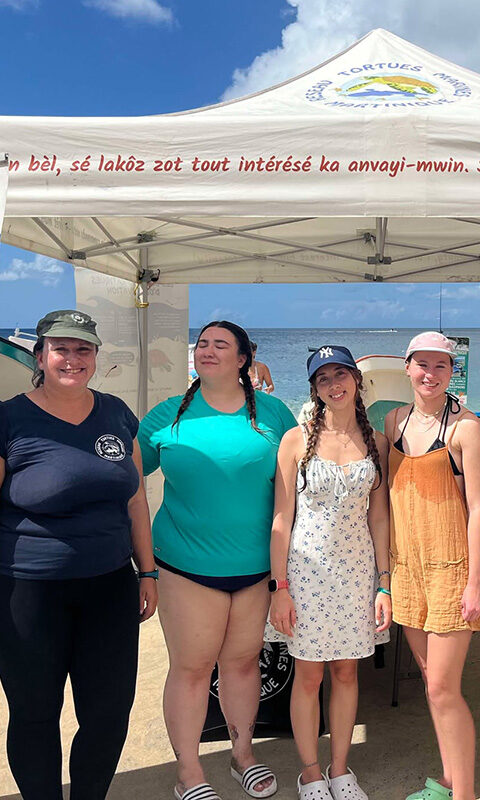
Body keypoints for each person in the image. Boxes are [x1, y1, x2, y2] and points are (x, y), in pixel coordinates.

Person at [0, 309, 157, 800]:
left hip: (110, 585)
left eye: (83, 349)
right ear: (40, 355)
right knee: (35, 712)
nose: (72, 358)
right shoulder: (9, 418)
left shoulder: (115, 413)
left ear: (95, 357)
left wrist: (147, 572)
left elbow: (134, 498)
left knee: (109, 712)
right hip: (27, 590)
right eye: (61, 348)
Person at [138, 321, 297, 800]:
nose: (206, 350)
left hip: (254, 569)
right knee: (191, 668)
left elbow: (306, 473)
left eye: (220, 344)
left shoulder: (272, 412)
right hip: (185, 566)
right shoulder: (166, 416)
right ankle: (189, 772)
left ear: (244, 358)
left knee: (244, 665)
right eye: (202, 343)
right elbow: (119, 478)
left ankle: (242, 754)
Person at [268, 345, 392, 800]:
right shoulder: (296, 440)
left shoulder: (375, 441)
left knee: (345, 673)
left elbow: (379, 517)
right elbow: (282, 518)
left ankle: (341, 769)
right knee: (309, 676)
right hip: (305, 573)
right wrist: (278, 587)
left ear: (357, 381)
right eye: (323, 379)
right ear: (315, 389)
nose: (334, 384)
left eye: (341, 374)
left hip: (358, 572)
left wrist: (384, 583)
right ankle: (311, 772)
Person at [385, 331, 480, 800]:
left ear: (453, 372)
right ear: (407, 368)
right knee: (431, 685)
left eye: (441, 366)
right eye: (422, 364)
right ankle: (449, 780)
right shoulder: (393, 422)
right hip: (407, 566)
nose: (430, 374)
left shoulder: (465, 427)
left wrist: (475, 582)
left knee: (445, 688)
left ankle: (463, 792)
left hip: (451, 568)